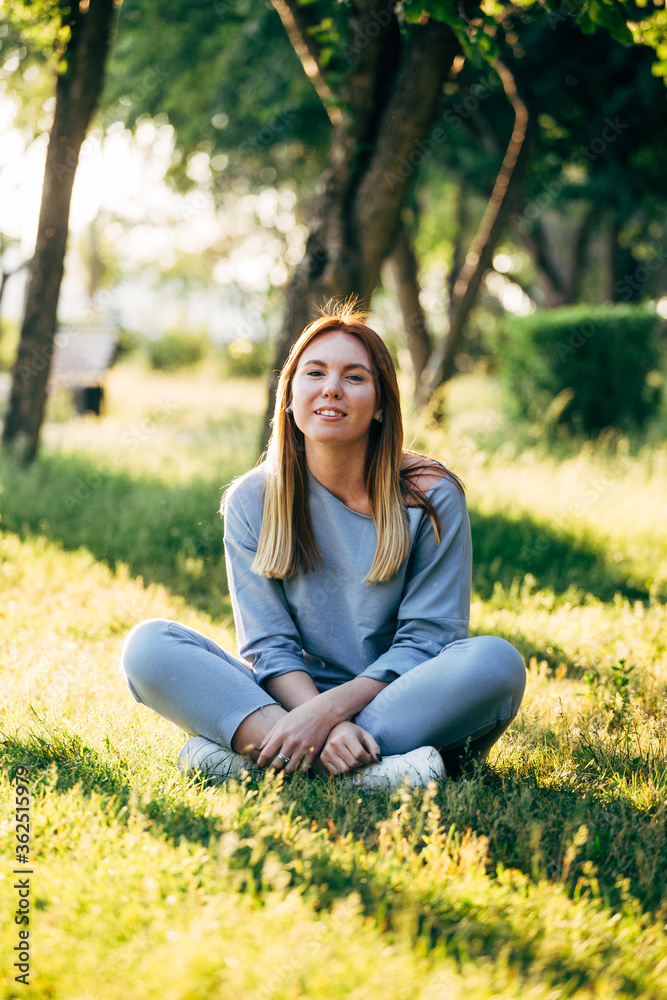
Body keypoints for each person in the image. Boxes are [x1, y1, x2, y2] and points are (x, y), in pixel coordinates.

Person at [120, 303, 526, 790]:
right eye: (314, 372)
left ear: (380, 404)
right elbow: (271, 648)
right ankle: (367, 774)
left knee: (495, 662)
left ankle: (264, 758)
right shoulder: (254, 498)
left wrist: (328, 715)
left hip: (397, 699)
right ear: (289, 397)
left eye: (354, 377)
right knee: (148, 646)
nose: (331, 387)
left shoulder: (430, 494)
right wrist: (316, 718)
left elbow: (427, 643)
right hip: (287, 697)